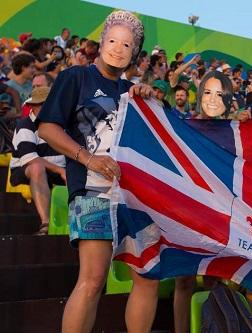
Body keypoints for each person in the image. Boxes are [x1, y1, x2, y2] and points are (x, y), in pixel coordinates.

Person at [37, 11, 159, 333]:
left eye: (127, 44)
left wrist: (151, 103)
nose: (118, 48)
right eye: (113, 40)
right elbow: (48, 128)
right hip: (92, 193)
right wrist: (88, 159)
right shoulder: (75, 78)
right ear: (101, 42)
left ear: (135, 53)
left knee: (147, 278)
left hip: (133, 198)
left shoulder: (134, 92)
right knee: (92, 281)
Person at [173, 70, 234, 333]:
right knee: (184, 282)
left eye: (220, 94)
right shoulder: (181, 126)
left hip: (219, 218)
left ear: (229, 100)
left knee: (215, 281)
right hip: (184, 215)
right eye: (207, 92)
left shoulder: (235, 133)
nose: (212, 99)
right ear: (198, 96)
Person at [9, 86, 66, 235]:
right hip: (25, 170)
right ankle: (45, 223)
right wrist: (60, 170)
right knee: (36, 167)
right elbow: (31, 159)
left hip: (58, 170)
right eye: (43, 104)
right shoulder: (25, 125)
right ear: (33, 107)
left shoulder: (62, 124)